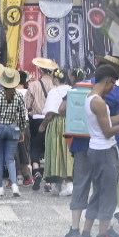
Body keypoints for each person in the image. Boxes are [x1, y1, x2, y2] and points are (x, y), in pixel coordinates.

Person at [72, 64, 119, 237]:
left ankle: (85, 234)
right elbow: (107, 131)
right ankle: (102, 236)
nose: (113, 89)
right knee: (109, 195)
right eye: (112, 84)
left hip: (95, 150)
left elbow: (108, 121)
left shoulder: (91, 98)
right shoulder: (99, 103)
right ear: (108, 81)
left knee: (97, 193)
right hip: (104, 151)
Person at [0, 66, 30, 197]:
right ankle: (14, 186)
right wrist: (22, 130)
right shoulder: (18, 95)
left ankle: (0, 187)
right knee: (10, 159)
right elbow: (23, 116)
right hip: (13, 128)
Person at [38, 65, 73, 197]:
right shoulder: (71, 89)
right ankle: (69, 183)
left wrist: (43, 125)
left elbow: (51, 112)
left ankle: (58, 184)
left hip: (57, 123)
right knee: (68, 152)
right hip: (70, 123)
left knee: (56, 151)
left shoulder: (54, 91)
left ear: (56, 79)